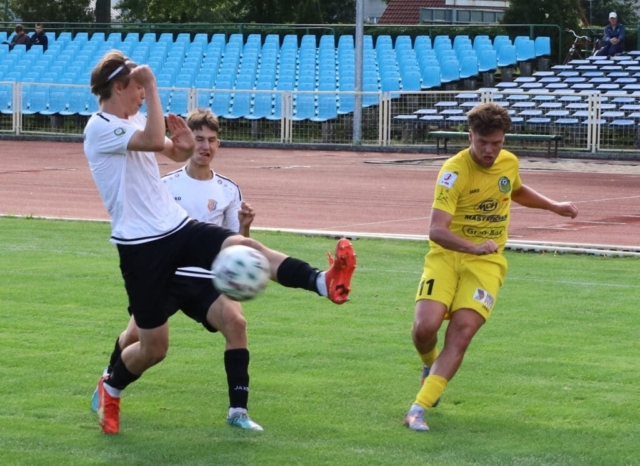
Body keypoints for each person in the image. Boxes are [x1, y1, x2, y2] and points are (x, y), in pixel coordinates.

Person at [83, 50, 357, 435]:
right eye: (138, 87)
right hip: (140, 247)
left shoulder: (134, 120)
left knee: (243, 247)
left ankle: (322, 281)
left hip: (176, 226)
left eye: (145, 88)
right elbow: (152, 138)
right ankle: (111, 388)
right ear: (119, 87)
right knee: (154, 348)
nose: (143, 94)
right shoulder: (99, 127)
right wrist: (154, 86)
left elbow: (170, 150)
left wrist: (182, 144)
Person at [403, 103, 578, 432]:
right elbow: (436, 230)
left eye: (496, 143)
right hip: (446, 256)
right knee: (424, 328)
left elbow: (515, 189)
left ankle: (418, 408)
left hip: (487, 263)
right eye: (483, 142)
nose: (489, 150)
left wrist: (554, 206)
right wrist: (472, 246)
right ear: (470, 136)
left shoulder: (508, 162)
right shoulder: (453, 172)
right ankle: (429, 365)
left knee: (462, 332)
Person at [90, 107, 265, 431]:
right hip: (165, 276)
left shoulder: (228, 190)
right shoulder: (164, 185)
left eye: (211, 140)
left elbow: (235, 249)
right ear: (187, 141)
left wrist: (245, 226)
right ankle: (108, 381)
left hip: (206, 280)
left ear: (218, 144)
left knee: (237, 323)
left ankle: (238, 412)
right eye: (199, 138)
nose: (205, 146)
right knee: (134, 335)